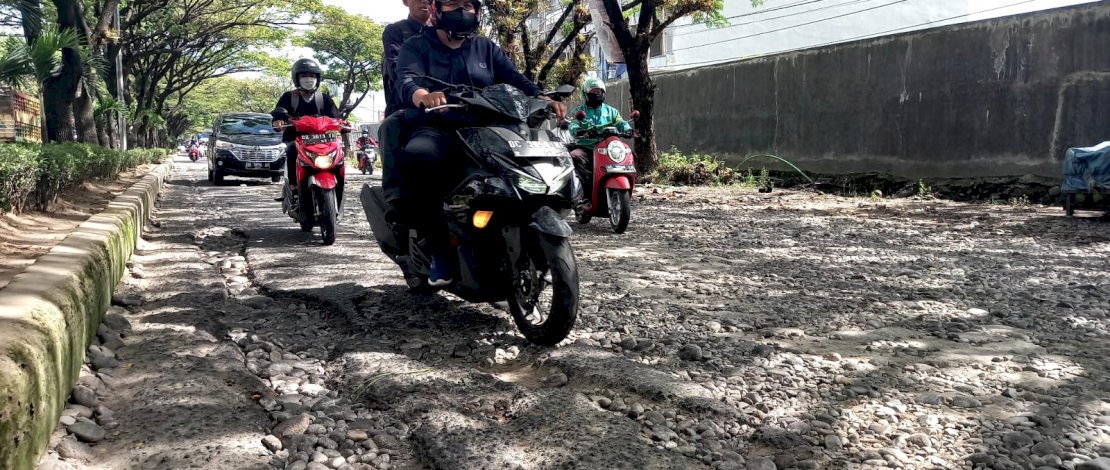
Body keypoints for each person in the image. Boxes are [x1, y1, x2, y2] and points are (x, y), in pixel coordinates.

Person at [394, 0, 566, 286]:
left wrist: (543, 98)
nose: (461, 10)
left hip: (488, 126)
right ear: (437, 10)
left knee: (524, 165)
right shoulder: (416, 45)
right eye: (452, 4)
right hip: (439, 126)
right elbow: (407, 80)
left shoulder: (485, 47)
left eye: (467, 5)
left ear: (477, 11)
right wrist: (423, 94)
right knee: (420, 159)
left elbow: (515, 79)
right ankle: (437, 249)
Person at [378, 0, 435, 222]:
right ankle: (395, 197)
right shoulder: (396, 32)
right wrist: (422, 92)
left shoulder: (448, 30)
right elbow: (398, 73)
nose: (425, 1)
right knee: (390, 126)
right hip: (407, 103)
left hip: (453, 103)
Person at [271, 58, 341, 197]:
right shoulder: (289, 97)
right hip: (296, 139)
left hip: (322, 140)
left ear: (318, 78)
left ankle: (339, 183)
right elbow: (278, 115)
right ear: (297, 78)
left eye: (312, 75)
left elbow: (335, 118)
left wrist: (342, 124)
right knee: (291, 150)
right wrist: (278, 121)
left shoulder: (324, 98)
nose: (309, 79)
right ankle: (293, 186)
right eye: (304, 76)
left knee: (339, 153)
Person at [567, 77, 632, 208]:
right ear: (585, 94)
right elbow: (573, 124)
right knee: (575, 156)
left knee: (629, 156)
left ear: (604, 93)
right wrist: (579, 130)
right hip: (586, 147)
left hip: (607, 148)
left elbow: (621, 122)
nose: (596, 94)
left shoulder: (612, 111)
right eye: (593, 91)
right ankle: (583, 196)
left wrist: (628, 130)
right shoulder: (579, 111)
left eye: (599, 91)